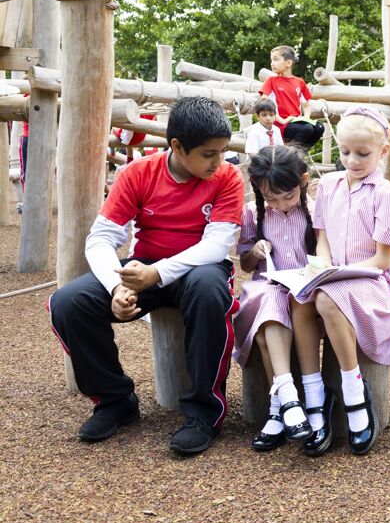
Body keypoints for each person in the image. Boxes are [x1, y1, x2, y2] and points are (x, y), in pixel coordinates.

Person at [48, 97, 244, 455]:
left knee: (209, 290)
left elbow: (217, 245)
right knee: (68, 303)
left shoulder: (228, 177)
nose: (219, 162)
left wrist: (158, 273)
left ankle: (204, 413)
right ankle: (114, 401)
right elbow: (101, 239)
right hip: (145, 264)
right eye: (209, 154)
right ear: (177, 147)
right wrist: (115, 287)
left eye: (222, 152)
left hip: (199, 269)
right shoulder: (137, 173)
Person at [290, 106, 390, 456]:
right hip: (335, 274)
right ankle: (315, 395)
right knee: (300, 299)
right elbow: (322, 238)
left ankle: (354, 390)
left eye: (362, 153)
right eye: (344, 152)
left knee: (326, 299)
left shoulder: (386, 194)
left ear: (383, 151)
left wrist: (336, 275)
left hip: (374, 280)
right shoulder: (329, 185)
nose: (352, 160)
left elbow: (382, 259)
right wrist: (325, 266)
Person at [233, 145, 316, 451]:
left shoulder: (316, 210)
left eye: (288, 196)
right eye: (271, 198)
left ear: (303, 181)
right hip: (267, 286)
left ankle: (279, 408)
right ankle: (289, 399)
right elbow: (245, 264)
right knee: (270, 301)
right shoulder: (251, 212)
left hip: (305, 292)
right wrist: (255, 252)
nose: (280, 204)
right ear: (258, 188)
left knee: (266, 331)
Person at [260, 45, 324, 148]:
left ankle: (299, 153)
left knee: (319, 127)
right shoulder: (271, 81)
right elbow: (264, 104)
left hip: (296, 122)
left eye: (276, 59)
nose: (272, 63)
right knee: (307, 128)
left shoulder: (300, 82)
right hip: (279, 123)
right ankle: (291, 153)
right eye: (271, 60)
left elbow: (306, 106)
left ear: (288, 63)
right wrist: (282, 120)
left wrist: (306, 118)